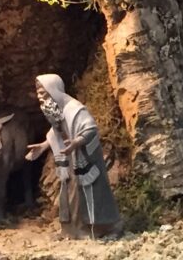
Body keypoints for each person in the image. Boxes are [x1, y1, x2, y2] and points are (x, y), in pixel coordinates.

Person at [25, 74, 121, 239]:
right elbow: (56, 132)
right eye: (38, 93)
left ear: (54, 90)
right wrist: (43, 146)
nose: (40, 97)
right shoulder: (58, 110)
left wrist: (76, 142)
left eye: (43, 93)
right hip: (69, 160)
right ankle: (71, 231)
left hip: (83, 159)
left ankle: (100, 228)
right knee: (69, 194)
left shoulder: (75, 109)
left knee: (84, 194)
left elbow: (90, 129)